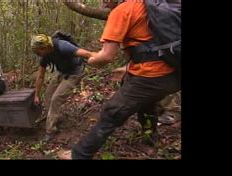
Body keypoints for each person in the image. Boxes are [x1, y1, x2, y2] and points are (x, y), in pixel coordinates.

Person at [59, 0, 181, 159]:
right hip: (175, 73)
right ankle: (150, 140)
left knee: (112, 111)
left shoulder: (122, 11)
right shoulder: (151, 6)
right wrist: (127, 68)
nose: (103, 3)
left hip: (153, 77)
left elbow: (107, 56)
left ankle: (80, 154)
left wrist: (91, 60)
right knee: (146, 102)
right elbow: (153, 46)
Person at [31, 34, 95, 141]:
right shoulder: (45, 55)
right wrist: (36, 95)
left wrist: (103, 58)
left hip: (75, 73)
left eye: (38, 52)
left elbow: (87, 54)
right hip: (61, 71)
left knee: (56, 98)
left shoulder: (63, 46)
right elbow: (40, 76)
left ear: (45, 47)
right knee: (48, 95)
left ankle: (50, 130)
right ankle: (54, 118)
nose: (38, 54)